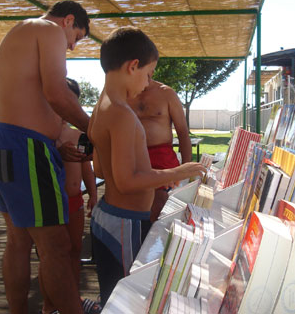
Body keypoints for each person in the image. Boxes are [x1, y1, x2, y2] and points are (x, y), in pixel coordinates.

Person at [0, 0, 90, 314]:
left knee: (18, 241)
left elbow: (29, 97)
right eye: (77, 38)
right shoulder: (48, 30)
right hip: (22, 145)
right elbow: (57, 93)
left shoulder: (16, 33)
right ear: (68, 20)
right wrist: (94, 129)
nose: (71, 45)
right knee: (56, 245)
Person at [88, 27, 206, 306]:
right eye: (147, 72)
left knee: (112, 294)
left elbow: (101, 171)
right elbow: (127, 181)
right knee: (129, 300)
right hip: (124, 222)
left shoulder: (101, 106)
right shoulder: (121, 115)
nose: (148, 81)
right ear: (133, 66)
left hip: (110, 215)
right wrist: (181, 171)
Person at [40, 78, 101, 314]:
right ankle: (49, 307)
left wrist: (93, 196)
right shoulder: (43, 133)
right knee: (51, 256)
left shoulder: (76, 134)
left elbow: (86, 166)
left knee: (75, 251)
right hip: (50, 203)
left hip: (75, 202)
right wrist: (56, 151)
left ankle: (72, 301)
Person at [128, 79, 192, 222]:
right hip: (132, 162)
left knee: (159, 212)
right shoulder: (122, 94)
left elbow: (182, 131)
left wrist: (186, 170)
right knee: (135, 214)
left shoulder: (166, 93)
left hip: (163, 162)